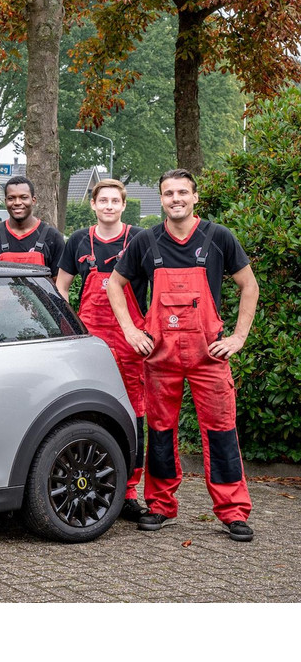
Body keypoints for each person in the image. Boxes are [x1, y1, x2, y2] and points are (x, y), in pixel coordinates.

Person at [107, 169, 259, 542]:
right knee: (160, 432)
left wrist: (238, 337)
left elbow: (249, 285)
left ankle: (233, 511)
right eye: (168, 193)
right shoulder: (146, 241)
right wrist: (131, 331)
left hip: (209, 355)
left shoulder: (218, 237)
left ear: (195, 197)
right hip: (161, 356)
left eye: (182, 192)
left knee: (221, 431)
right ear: (161, 199)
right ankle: (160, 505)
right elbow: (114, 284)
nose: (176, 199)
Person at [56, 179, 149, 521]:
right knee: (88, 407)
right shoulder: (79, 240)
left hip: (131, 341)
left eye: (115, 201)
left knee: (134, 412)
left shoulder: (140, 239)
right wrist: (70, 328)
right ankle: (87, 483)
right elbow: (61, 287)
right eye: (103, 200)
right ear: (93, 204)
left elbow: (159, 285)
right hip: (90, 342)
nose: (109, 206)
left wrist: (147, 331)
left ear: (123, 205)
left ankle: (129, 491)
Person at [0, 175, 65, 277]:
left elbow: (59, 283)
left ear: (33, 200)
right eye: (11, 198)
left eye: (24, 197)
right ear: (5, 201)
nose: (17, 203)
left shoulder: (52, 237)